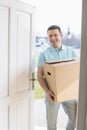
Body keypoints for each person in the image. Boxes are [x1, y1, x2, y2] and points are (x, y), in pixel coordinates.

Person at [37, 25, 77, 130]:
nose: (53, 38)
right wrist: (47, 91)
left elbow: (77, 71)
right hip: (52, 94)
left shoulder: (71, 51)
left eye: (55, 35)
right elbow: (39, 76)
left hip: (68, 92)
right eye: (50, 36)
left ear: (61, 35)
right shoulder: (44, 54)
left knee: (76, 119)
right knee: (51, 124)